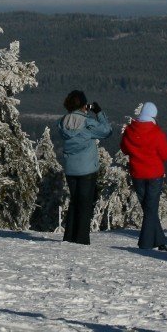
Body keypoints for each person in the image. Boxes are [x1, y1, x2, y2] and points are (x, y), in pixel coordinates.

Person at [56, 90, 112, 245]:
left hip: (70, 169)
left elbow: (70, 125)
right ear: (83, 105)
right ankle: (81, 239)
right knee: (85, 204)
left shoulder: (63, 122)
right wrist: (98, 112)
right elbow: (107, 131)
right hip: (87, 169)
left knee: (75, 202)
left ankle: (69, 237)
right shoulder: (87, 123)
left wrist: (80, 110)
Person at [120, 102, 167, 251]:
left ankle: (160, 241)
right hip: (154, 174)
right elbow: (166, 154)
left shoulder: (130, 131)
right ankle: (146, 243)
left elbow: (124, 148)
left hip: (137, 174)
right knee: (150, 208)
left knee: (149, 209)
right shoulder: (156, 132)